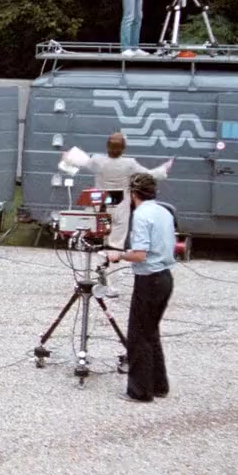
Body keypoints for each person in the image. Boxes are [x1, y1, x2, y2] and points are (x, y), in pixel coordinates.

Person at [106, 172, 176, 402]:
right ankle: (159, 384)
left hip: (149, 279)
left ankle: (140, 391)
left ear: (133, 193)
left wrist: (118, 255)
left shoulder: (141, 215)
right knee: (151, 332)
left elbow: (140, 254)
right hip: (165, 277)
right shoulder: (164, 211)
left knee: (138, 335)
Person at [62, 132, 173, 250]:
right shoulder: (129, 164)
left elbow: (82, 162)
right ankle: (112, 255)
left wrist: (68, 156)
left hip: (101, 205)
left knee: (101, 238)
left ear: (107, 146)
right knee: (115, 243)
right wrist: (165, 168)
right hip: (120, 206)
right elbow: (150, 175)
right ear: (123, 148)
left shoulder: (97, 160)